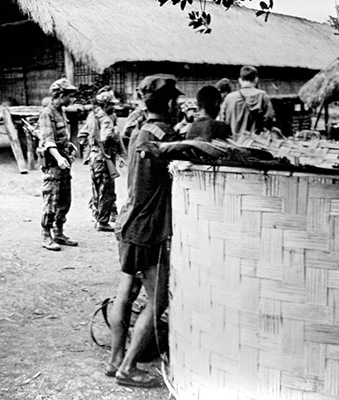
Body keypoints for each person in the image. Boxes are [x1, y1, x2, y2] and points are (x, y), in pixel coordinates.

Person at [106, 74, 182, 388]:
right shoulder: (165, 135)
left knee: (125, 295)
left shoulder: (139, 130)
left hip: (128, 222)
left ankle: (114, 360)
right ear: (170, 102)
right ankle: (128, 367)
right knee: (158, 300)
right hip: (149, 228)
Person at [38, 78, 79, 251]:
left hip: (64, 161)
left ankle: (59, 232)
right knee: (52, 198)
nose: (72, 99)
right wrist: (58, 158)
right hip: (54, 164)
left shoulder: (61, 111)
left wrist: (69, 146)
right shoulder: (47, 113)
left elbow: (61, 136)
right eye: (70, 95)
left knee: (64, 199)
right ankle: (46, 235)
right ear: (61, 95)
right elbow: (48, 140)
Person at [78, 86, 126, 232]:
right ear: (105, 104)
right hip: (104, 158)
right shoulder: (104, 119)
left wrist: (91, 148)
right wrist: (113, 133)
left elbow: (81, 137)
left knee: (98, 188)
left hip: (95, 157)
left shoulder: (94, 116)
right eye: (111, 104)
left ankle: (99, 215)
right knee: (107, 190)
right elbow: (106, 138)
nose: (114, 106)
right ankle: (102, 222)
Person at [219, 65, 274, 138]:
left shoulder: (229, 98)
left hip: (234, 143)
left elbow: (222, 121)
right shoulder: (262, 96)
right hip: (256, 144)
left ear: (240, 80)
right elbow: (269, 120)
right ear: (256, 80)